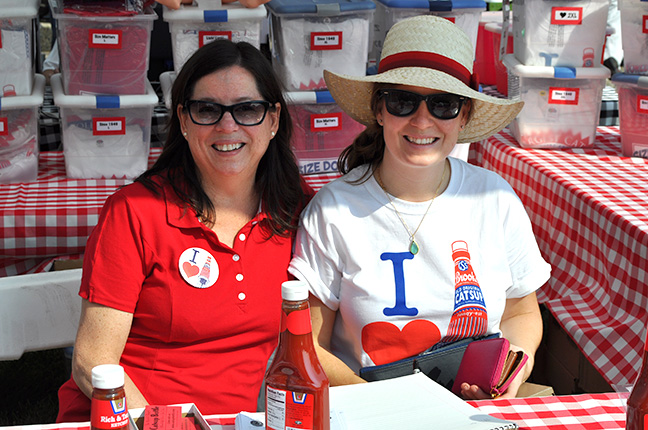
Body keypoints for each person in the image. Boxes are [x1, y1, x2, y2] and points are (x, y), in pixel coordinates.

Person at [288, 15, 552, 400]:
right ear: (380, 111)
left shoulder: (495, 199)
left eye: (443, 104)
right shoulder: (333, 212)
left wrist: (509, 375)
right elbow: (311, 345)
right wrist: (391, 408)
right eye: (403, 101)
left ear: (464, 116)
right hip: (368, 411)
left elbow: (521, 314)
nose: (422, 119)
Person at [56, 39, 310, 421]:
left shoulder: (297, 210)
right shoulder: (136, 211)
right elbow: (93, 360)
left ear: (273, 120)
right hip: (131, 419)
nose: (228, 126)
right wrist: (165, 424)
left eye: (247, 109)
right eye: (207, 109)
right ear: (184, 121)